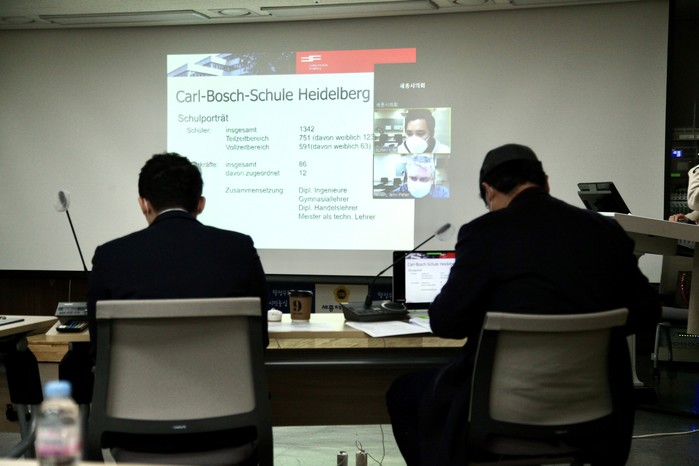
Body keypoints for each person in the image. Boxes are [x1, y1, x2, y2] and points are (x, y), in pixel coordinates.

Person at [386, 143, 660, 465]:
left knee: (403, 393)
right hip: (595, 413)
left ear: (488, 191)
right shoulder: (605, 230)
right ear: (546, 183)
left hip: (499, 411)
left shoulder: (484, 233)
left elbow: (446, 323)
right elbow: (647, 311)